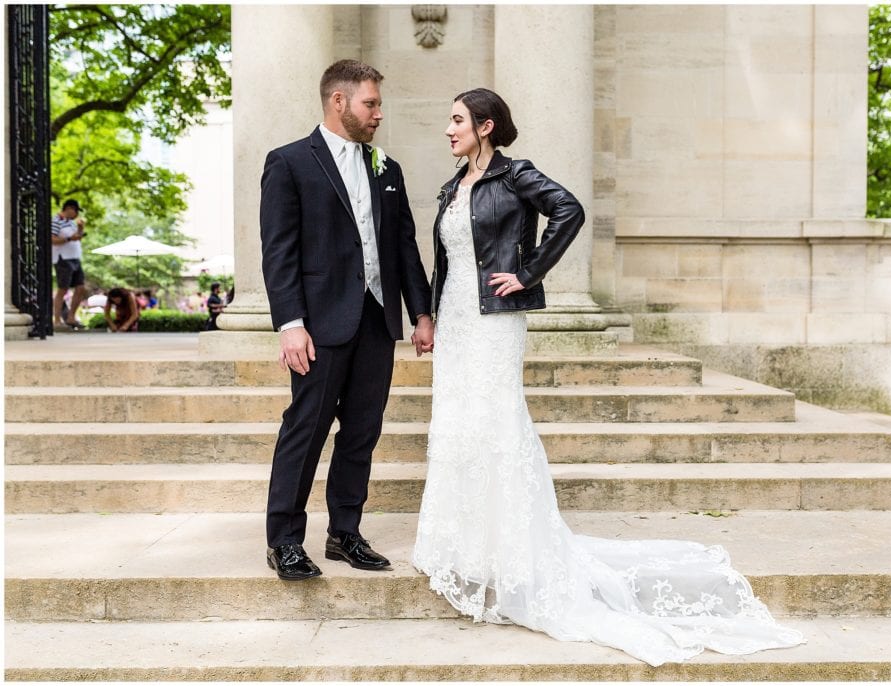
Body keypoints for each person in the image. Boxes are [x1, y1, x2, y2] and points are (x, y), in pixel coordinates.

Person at [411, 89, 805, 666]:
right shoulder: (453, 186)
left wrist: (527, 273)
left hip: (495, 321)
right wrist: (430, 314)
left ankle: (513, 550)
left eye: (456, 120)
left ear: (485, 126)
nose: (447, 130)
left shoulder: (515, 174)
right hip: (456, 318)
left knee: (495, 423)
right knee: (457, 425)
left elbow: (569, 210)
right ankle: (461, 543)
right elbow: (445, 260)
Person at [260, 59, 433, 581]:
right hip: (319, 324)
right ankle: (285, 541)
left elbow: (404, 247)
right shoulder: (289, 162)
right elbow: (279, 250)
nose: (379, 113)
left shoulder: (388, 168)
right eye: (370, 104)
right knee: (305, 429)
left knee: (362, 431)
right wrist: (290, 323)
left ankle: (345, 533)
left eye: (378, 104)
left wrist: (421, 312)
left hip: (377, 321)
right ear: (339, 101)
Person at [50, 199, 87, 329]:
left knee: (81, 287)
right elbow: (52, 239)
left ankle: (71, 317)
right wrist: (69, 238)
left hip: (75, 257)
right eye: (76, 211)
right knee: (63, 289)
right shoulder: (56, 220)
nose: (76, 214)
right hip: (63, 258)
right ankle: (57, 320)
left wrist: (81, 230)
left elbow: (77, 237)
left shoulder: (71, 223)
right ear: (69, 209)